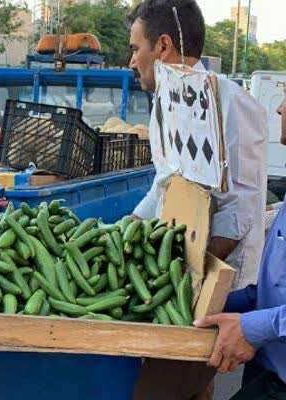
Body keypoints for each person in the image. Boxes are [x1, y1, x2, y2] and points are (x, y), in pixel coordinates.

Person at [126, 1, 268, 399]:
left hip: (222, 282)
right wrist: (127, 231)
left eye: (137, 48)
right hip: (185, 271)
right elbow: (164, 184)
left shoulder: (231, 104)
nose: (132, 61)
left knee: (163, 390)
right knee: (189, 389)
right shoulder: (165, 105)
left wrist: (181, 273)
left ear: (164, 46)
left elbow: (238, 216)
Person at [193, 95, 286, 399]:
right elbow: (276, 287)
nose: (279, 107)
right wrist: (211, 304)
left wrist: (254, 328)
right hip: (267, 365)